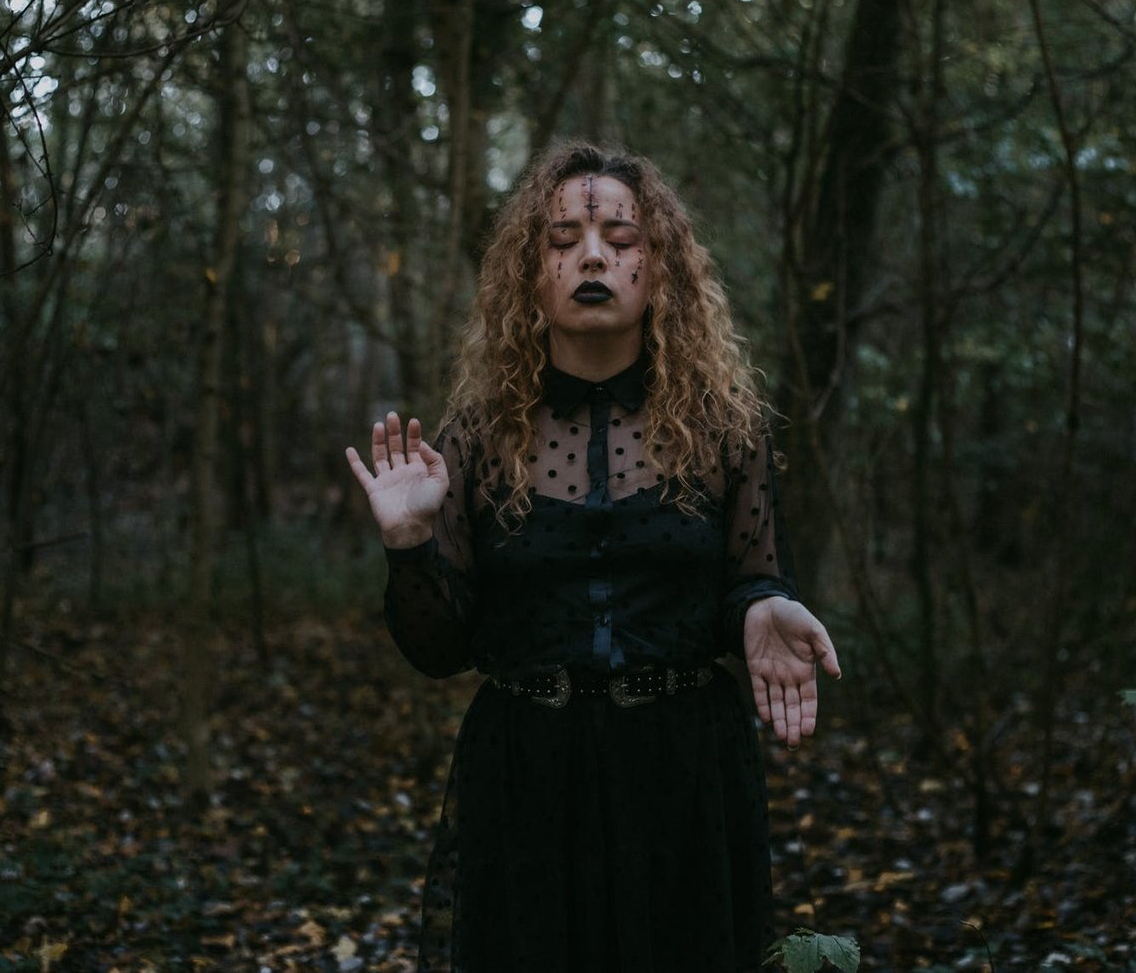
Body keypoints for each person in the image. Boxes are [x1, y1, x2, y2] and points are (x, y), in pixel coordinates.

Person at [345, 142, 841, 973]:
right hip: (527, 779)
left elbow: (749, 576)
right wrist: (408, 545)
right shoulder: (475, 435)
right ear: (531, 275)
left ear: (661, 268)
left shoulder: (726, 427)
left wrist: (764, 606)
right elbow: (439, 650)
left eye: (620, 235)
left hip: (682, 775)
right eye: (564, 237)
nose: (593, 254)